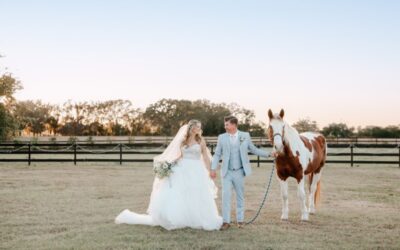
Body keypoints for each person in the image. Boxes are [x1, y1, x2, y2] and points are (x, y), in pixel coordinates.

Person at [115, 120, 222, 230]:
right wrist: (168, 165)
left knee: (196, 192)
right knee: (180, 193)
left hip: (196, 169)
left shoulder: (200, 141)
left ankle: (198, 217)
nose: (199, 128)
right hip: (182, 168)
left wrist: (210, 170)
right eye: (197, 126)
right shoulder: (183, 140)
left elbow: (205, 157)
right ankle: (180, 217)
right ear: (192, 128)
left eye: (200, 126)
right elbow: (179, 156)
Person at [210, 115, 273, 230]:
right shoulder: (222, 137)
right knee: (226, 197)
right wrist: (213, 168)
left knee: (240, 197)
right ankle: (226, 222)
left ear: (234, 125)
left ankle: (240, 220)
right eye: (225, 125)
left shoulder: (245, 136)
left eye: (227, 124)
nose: (225, 127)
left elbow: (253, 150)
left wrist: (269, 154)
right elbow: (217, 154)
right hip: (226, 172)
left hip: (239, 171)